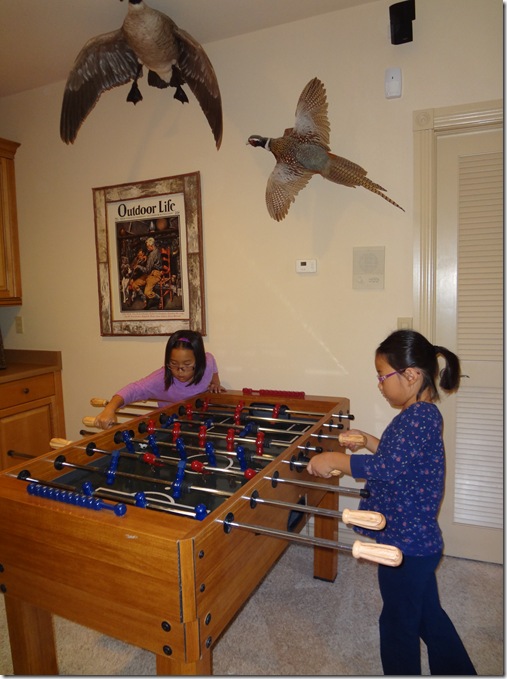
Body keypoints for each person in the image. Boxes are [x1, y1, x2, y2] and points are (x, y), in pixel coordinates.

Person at [307, 329, 476, 676]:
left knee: (398, 624)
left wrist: (336, 460)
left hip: (406, 545)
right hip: (415, 541)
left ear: (410, 376)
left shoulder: (421, 417)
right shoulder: (418, 414)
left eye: (383, 376)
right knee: (427, 615)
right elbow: (399, 457)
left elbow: (388, 467)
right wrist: (367, 440)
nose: (380, 385)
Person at [94, 330, 225, 429]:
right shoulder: (161, 378)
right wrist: (110, 409)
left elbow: (211, 361)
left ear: (199, 361)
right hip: (170, 426)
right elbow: (134, 389)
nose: (180, 371)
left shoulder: (207, 363)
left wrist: (215, 382)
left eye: (187, 364)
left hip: (200, 421)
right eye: (173, 364)